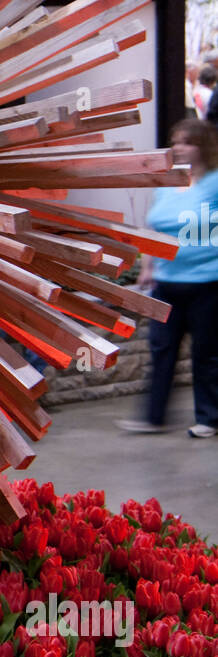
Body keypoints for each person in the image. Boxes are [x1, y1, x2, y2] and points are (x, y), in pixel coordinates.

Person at [118, 118, 218, 437]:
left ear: (203, 147)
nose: (179, 147)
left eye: (187, 141)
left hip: (208, 284)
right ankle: (153, 417)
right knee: (161, 350)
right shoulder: (166, 184)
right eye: (176, 141)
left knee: (206, 354)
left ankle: (209, 419)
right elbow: (155, 230)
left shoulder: (215, 183)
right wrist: (148, 266)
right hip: (167, 283)